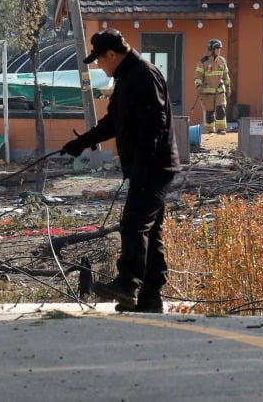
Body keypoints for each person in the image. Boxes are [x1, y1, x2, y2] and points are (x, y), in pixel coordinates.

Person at [63, 29, 180, 313]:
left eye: (100, 61)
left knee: (133, 225)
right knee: (150, 232)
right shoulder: (127, 77)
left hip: (154, 167)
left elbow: (154, 124)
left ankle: (127, 284)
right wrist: (82, 143)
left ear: (112, 55)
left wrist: (141, 167)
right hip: (147, 167)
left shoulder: (143, 75)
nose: (100, 66)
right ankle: (150, 298)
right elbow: (113, 122)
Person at [193, 38, 231, 134]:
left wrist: (228, 87)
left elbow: (226, 75)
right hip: (207, 92)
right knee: (209, 112)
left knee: (221, 108)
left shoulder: (222, 61)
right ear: (211, 49)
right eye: (217, 48)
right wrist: (198, 86)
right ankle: (210, 130)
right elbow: (198, 76)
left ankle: (221, 128)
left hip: (219, 91)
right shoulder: (203, 62)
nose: (219, 50)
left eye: (220, 48)